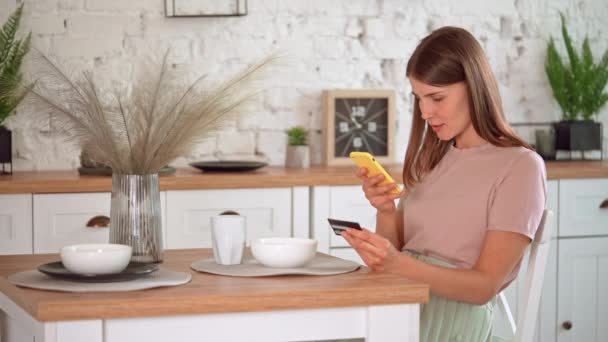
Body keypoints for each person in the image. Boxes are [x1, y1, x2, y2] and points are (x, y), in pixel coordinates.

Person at [341, 26, 547, 342]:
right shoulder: (431, 158)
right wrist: (386, 211)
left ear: (474, 86)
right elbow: (397, 258)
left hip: (452, 323)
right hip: (402, 308)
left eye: (436, 97)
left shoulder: (520, 167)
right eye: (419, 99)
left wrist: (399, 264)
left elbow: (483, 287)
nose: (425, 112)